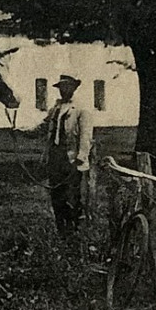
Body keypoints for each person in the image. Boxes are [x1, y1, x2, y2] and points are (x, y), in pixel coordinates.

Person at [40, 73, 94, 236]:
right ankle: (61, 230)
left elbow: (86, 135)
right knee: (56, 195)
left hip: (71, 159)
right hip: (55, 157)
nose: (64, 91)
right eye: (61, 88)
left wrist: (81, 157)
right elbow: (42, 127)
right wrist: (19, 131)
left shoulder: (81, 109)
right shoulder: (56, 108)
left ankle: (74, 230)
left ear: (74, 88)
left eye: (67, 87)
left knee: (72, 196)